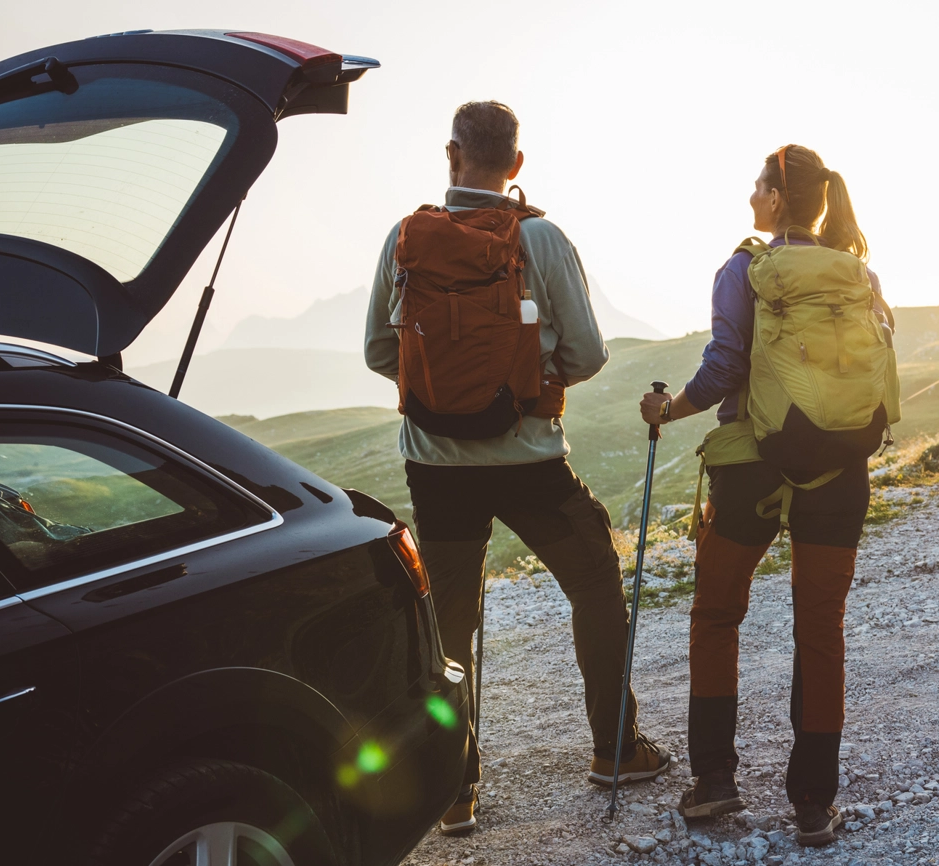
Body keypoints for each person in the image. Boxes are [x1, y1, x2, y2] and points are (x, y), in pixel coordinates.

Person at [367, 101, 671, 837]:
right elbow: (590, 353)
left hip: (434, 466)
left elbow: (382, 352)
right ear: (517, 164)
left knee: (449, 626)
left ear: (451, 156)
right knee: (596, 581)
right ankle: (616, 750)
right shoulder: (537, 235)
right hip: (528, 458)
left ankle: (454, 791)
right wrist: (525, 393)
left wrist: (444, 400)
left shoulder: (405, 238)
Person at [638, 144, 880, 847]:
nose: (750, 195)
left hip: (752, 467)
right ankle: (813, 802)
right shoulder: (856, 273)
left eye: (758, 185)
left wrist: (670, 410)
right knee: (820, 627)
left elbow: (724, 368)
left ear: (776, 200)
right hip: (840, 470)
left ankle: (715, 783)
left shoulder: (743, 269)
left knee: (717, 613)